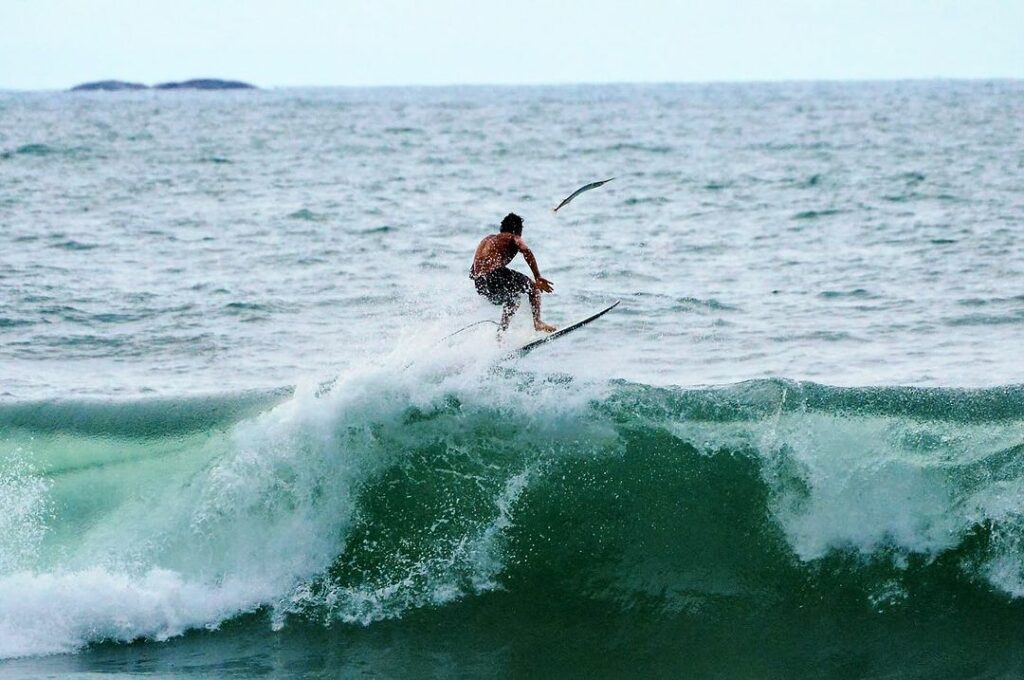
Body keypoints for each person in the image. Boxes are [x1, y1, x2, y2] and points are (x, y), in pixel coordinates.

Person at [470, 213, 556, 334]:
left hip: (480, 284)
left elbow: (473, 270)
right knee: (533, 287)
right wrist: (537, 276)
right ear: (517, 230)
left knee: (513, 299)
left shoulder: (487, 240)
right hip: (495, 275)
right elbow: (526, 251)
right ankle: (537, 322)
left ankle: (501, 333)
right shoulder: (512, 237)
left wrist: (485, 279)